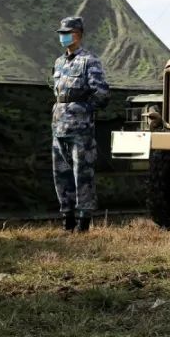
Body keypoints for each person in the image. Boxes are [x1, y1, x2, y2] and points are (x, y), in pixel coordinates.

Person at [51, 16, 109, 232]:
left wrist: (83, 111)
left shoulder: (89, 61)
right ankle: (67, 219)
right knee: (61, 173)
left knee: (82, 174)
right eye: (61, 34)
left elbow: (102, 94)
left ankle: (83, 221)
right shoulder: (58, 62)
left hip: (80, 129)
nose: (63, 37)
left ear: (78, 34)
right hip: (59, 126)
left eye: (67, 33)